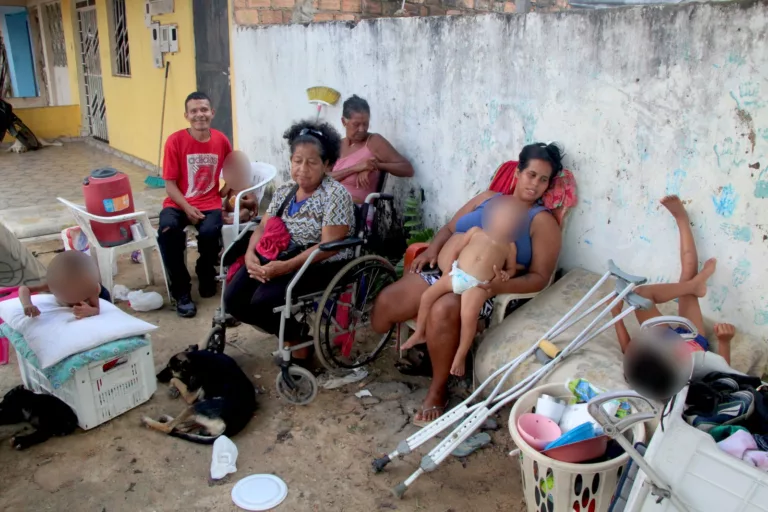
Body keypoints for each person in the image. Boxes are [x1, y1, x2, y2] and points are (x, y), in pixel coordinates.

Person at [371, 143, 564, 426]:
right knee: (387, 303)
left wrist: (495, 287)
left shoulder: (541, 220)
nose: (535, 184)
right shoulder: (488, 198)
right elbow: (450, 228)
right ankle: (428, 349)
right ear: (518, 172)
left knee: (443, 310)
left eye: (543, 179)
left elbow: (540, 277)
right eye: (531, 174)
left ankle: (438, 389)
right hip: (446, 272)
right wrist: (432, 249)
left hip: (483, 287)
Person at [223, 120, 355, 360]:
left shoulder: (336, 195)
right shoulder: (285, 190)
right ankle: (297, 335)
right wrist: (251, 255)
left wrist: (283, 267)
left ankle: (297, 343)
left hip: (320, 263)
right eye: (297, 161)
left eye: (312, 162)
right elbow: (262, 227)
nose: (303, 168)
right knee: (233, 300)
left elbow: (327, 247)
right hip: (277, 255)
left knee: (264, 301)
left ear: (327, 164)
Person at [400, 198, 528, 378]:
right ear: (491, 217)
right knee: (427, 296)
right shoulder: (475, 232)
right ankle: (420, 332)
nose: (505, 223)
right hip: (457, 275)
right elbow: (457, 250)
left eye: (511, 221)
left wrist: (507, 274)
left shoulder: (509, 246)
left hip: (477, 286)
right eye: (502, 217)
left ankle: (460, 356)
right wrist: (449, 270)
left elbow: (511, 268)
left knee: (468, 319)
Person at [611, 195, 736, 365]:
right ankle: (681, 220)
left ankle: (694, 285)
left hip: (664, 340)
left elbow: (628, 350)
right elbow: (722, 375)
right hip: (693, 343)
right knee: (687, 274)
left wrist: (615, 314)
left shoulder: (645, 372)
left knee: (639, 295)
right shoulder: (687, 381)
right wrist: (724, 342)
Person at [158, 91, 232, 318]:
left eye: (204, 110)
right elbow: (170, 185)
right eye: (194, 111)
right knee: (168, 232)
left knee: (211, 232)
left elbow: (232, 172)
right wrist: (187, 208)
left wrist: (225, 194)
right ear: (186, 115)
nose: (200, 115)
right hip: (178, 202)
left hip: (209, 203)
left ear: (212, 113)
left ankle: (205, 269)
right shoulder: (175, 141)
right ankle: (181, 291)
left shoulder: (221, 140)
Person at [330, 95, 414, 203]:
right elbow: (323, 180)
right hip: (330, 204)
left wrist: (374, 166)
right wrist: (356, 168)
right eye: (356, 124)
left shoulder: (374, 141)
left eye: (365, 124)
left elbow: (407, 169)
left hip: (356, 210)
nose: (362, 129)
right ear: (343, 122)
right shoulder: (337, 145)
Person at [18, 251, 109, 319]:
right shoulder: (54, 281)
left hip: (101, 295)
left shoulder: (91, 287)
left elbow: (96, 309)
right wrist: (27, 304)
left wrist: (91, 311)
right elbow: (24, 288)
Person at [220, 150, 258, 225]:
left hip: (241, 211)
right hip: (228, 211)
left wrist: (243, 202)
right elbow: (222, 194)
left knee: (245, 212)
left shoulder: (246, 185)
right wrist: (228, 185)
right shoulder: (229, 184)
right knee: (220, 211)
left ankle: (233, 219)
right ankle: (227, 219)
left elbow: (253, 201)